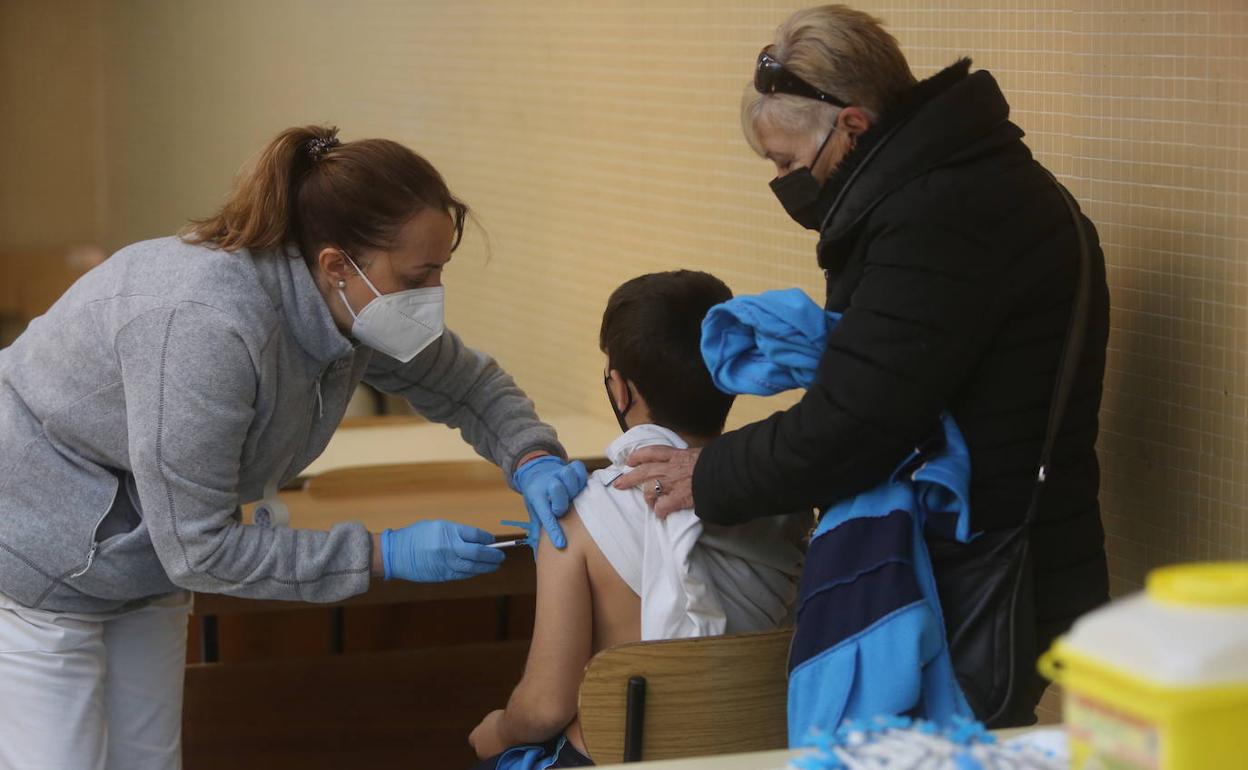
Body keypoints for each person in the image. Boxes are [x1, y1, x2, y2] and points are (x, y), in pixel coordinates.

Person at [0, 125, 587, 769]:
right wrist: (380, 554)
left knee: (147, 760)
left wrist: (531, 457)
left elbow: (465, 384)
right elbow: (200, 547)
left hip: (145, 553)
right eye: (421, 274)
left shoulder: (351, 305)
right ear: (338, 264)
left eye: (439, 270)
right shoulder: (205, 324)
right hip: (36, 542)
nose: (432, 294)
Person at [612, 5, 1111, 726]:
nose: (784, 182)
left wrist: (710, 472)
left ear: (852, 126)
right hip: (1006, 554)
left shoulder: (944, 216)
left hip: (976, 574)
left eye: (787, 162)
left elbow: (857, 422)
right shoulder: (967, 186)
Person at [467, 271, 806, 768]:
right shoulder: (786, 500)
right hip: (757, 754)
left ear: (620, 389)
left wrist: (496, 729)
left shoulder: (582, 514)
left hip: (617, 757)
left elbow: (545, 707)